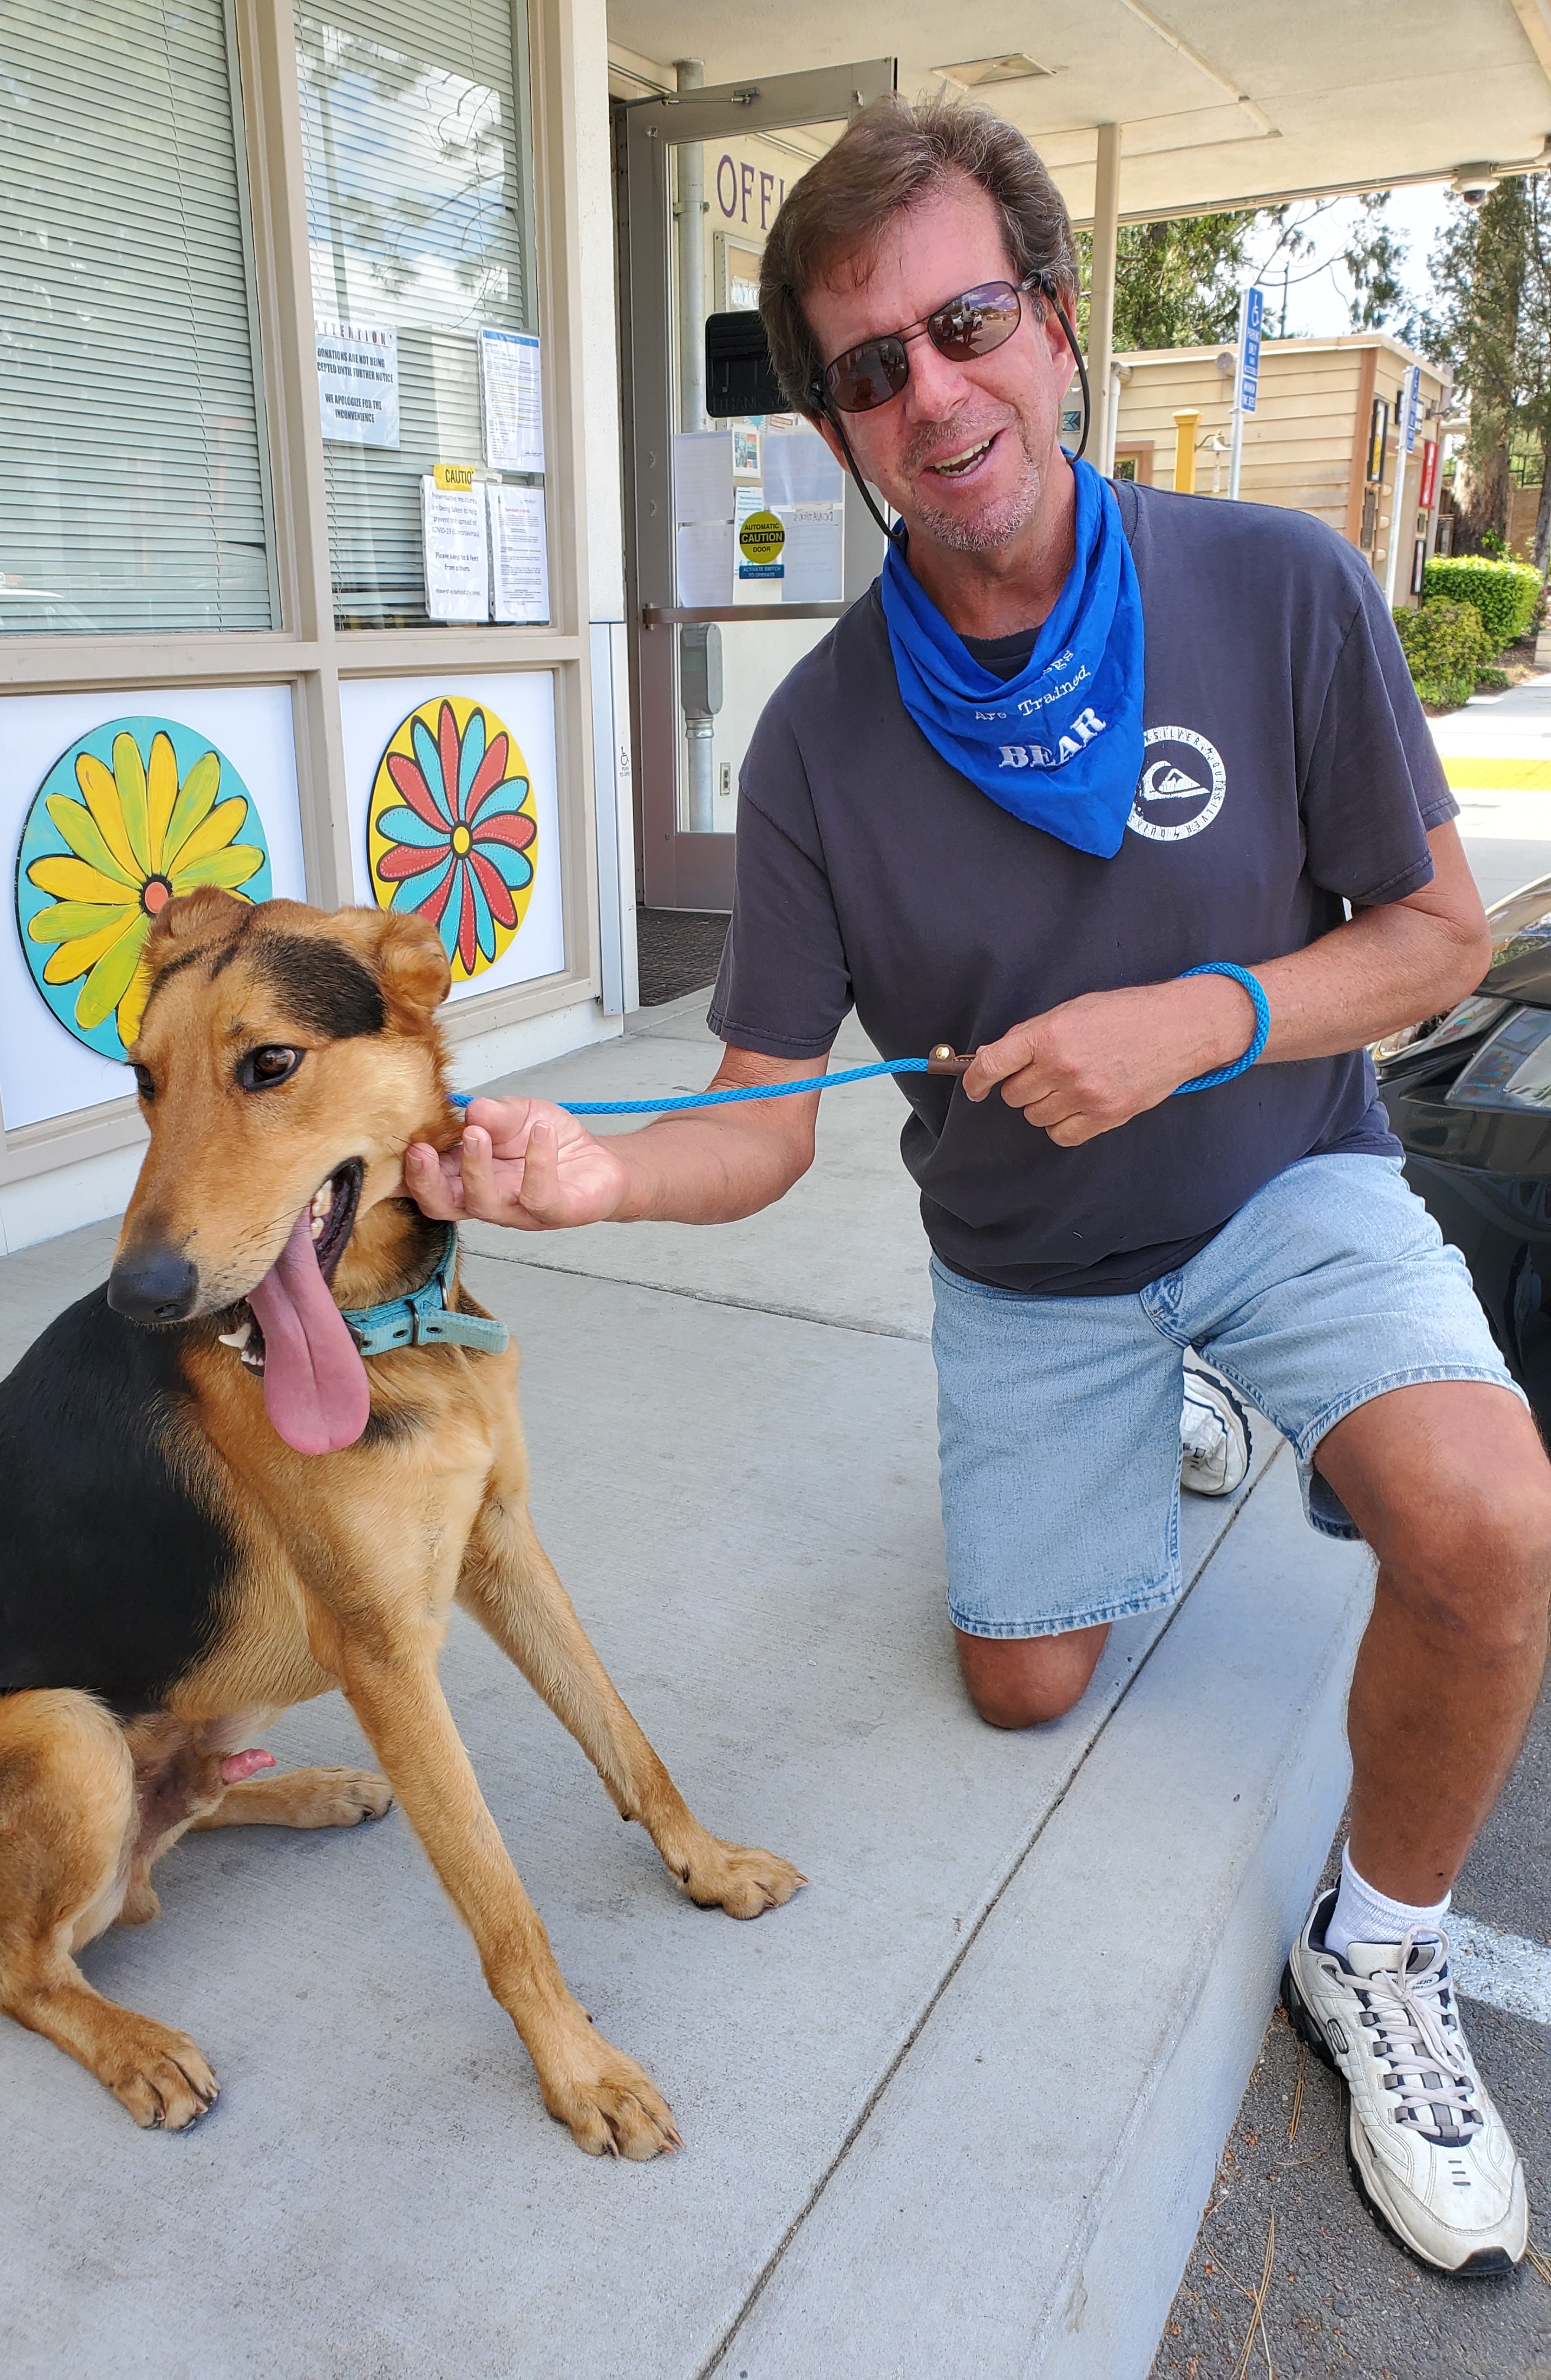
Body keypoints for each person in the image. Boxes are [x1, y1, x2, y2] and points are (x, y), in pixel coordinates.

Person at [405, 94, 1549, 2275]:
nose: (933, 391)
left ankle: (1380, 1956)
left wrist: (1198, 1019)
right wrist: (599, 1177)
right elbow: (756, 1115)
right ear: (840, 429)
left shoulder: (1278, 588)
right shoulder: (820, 739)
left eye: (967, 321)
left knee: (1495, 1524)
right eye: (870, 365)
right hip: (1031, 1268)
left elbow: (1431, 943)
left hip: (1286, 1177)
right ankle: (1171, 1404)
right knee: (1022, 1688)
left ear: (1055, 324)